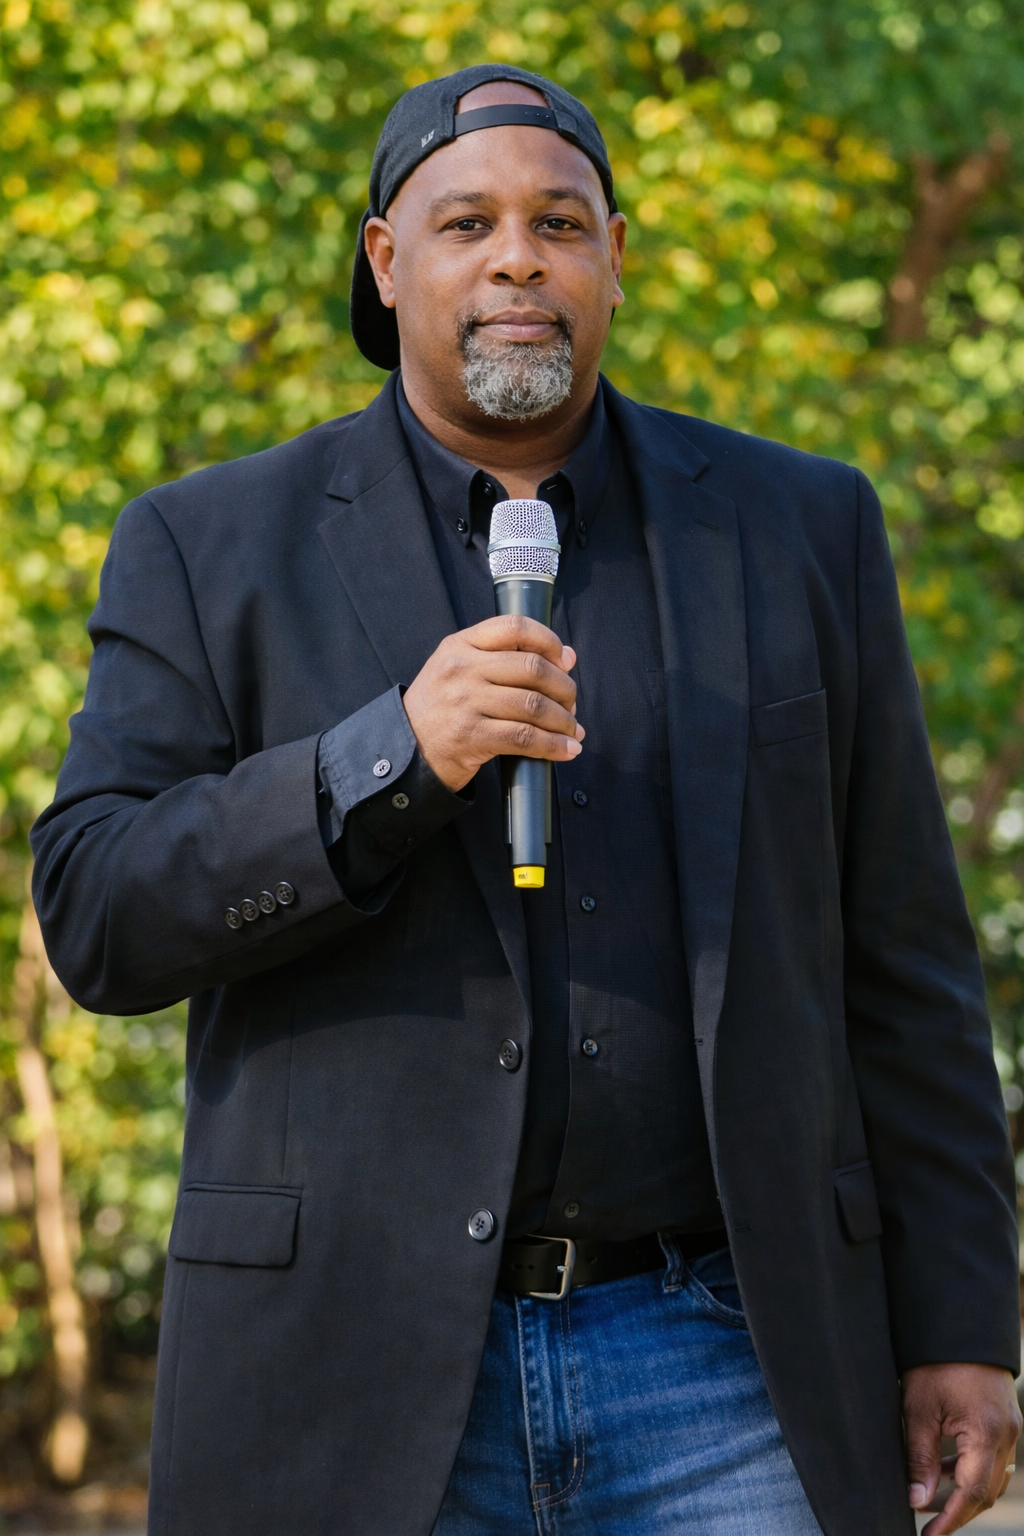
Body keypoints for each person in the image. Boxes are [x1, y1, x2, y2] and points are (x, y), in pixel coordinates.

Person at [31, 62, 1022, 1536]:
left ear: (614, 254)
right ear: (385, 259)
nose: (516, 259)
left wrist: (963, 1321)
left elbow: (906, 960)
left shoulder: (799, 527)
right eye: (467, 223)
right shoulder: (208, 541)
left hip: (726, 1366)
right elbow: (100, 911)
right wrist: (383, 760)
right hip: (349, 1375)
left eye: (561, 222)